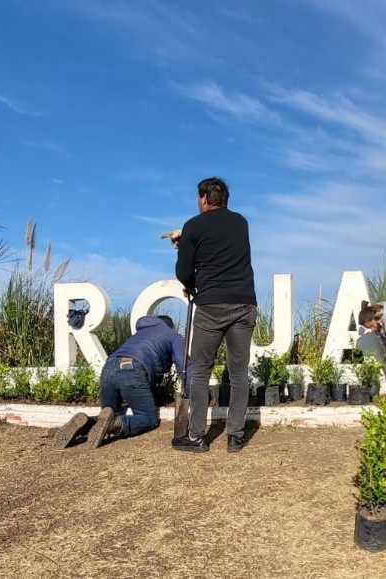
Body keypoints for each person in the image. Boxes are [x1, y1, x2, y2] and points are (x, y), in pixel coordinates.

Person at [171, 177, 257, 454]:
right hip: (244, 303)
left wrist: (190, 275)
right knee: (239, 373)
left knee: (200, 372)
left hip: (210, 305)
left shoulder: (193, 226)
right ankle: (235, 436)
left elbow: (184, 271)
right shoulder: (240, 222)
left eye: (199, 198)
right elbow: (224, 251)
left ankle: (196, 437)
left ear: (204, 199)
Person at [53, 315, 187, 449]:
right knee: (148, 418)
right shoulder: (172, 335)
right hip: (134, 369)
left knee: (107, 414)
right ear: (170, 326)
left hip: (109, 367)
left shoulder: (140, 333)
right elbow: (184, 367)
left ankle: (86, 422)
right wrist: (194, 393)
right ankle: (115, 423)